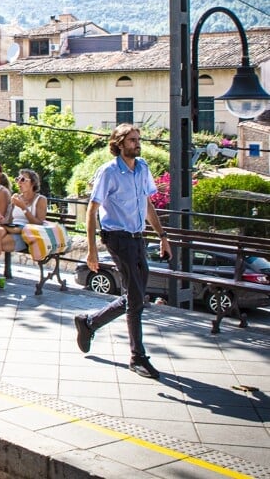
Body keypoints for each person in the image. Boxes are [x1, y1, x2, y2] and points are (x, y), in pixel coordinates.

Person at [74, 124, 170, 379]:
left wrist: (162, 236)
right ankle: (137, 357)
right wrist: (92, 251)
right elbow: (92, 210)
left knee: (135, 297)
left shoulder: (142, 168)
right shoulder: (109, 172)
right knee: (136, 300)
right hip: (117, 238)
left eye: (138, 139)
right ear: (119, 144)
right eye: (132, 140)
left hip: (138, 239)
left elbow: (147, 204)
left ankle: (89, 323)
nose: (137, 144)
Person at [0, 168, 48, 299]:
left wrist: (23, 208)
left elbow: (39, 223)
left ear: (33, 183)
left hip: (26, 234)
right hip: (11, 229)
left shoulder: (40, 199)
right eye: (18, 179)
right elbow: (9, 220)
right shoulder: (16, 198)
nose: (19, 182)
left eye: (23, 179)